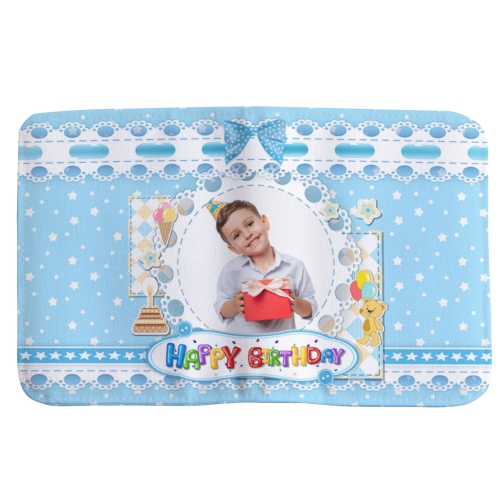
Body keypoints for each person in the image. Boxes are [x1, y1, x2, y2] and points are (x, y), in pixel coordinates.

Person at [212, 200, 317, 334]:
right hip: (242, 344)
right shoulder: (231, 271)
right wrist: (235, 305)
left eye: (250, 224)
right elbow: (220, 307)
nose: (247, 234)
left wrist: (295, 303)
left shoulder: (294, 266)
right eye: (237, 235)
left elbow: (311, 307)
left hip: (280, 344)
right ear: (233, 248)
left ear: (264, 222)